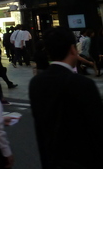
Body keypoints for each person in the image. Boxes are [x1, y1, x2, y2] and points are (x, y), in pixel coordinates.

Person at [29, 27, 103, 168]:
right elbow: (97, 128)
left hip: (52, 160)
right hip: (84, 161)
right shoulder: (83, 84)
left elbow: (40, 129)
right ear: (73, 49)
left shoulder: (36, 83)